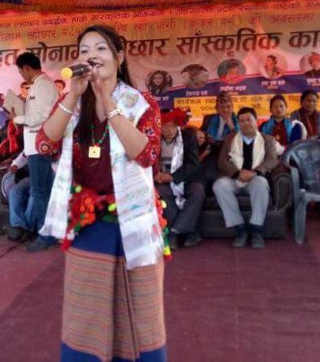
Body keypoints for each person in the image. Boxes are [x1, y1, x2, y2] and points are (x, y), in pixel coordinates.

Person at [38, 24, 166, 361]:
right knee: (87, 317)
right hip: (89, 224)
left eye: (100, 49)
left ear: (119, 57)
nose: (91, 56)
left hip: (135, 221)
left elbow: (146, 155)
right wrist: (73, 95)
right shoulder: (73, 101)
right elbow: (45, 144)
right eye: (84, 51)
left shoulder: (141, 104)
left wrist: (108, 101)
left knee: (139, 316)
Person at [213, 107, 280, 248]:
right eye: (242, 121)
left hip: (255, 177)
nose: (246, 123)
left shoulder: (267, 140)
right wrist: (237, 174)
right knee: (219, 186)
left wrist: (254, 172)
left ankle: (256, 229)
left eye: (249, 120)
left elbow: (272, 160)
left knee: (261, 183)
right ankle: (240, 228)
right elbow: (222, 161)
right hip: (234, 178)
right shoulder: (230, 139)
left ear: (256, 121)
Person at [12, 51, 59, 252]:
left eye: (21, 72)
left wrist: (17, 119)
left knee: (39, 191)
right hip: (35, 146)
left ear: (27, 68)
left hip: (41, 146)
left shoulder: (44, 85)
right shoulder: (38, 85)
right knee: (43, 191)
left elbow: (43, 115)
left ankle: (45, 235)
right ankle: (49, 232)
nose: (22, 76)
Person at [155, 108, 205, 250]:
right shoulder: (153, 139)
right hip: (162, 180)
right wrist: (156, 174)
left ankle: (173, 232)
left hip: (186, 179)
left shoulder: (188, 138)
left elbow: (193, 164)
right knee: (160, 193)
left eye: (172, 126)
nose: (170, 130)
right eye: (165, 127)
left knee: (198, 191)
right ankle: (190, 232)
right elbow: (149, 161)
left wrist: (172, 177)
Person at [200, 92, 239, 187]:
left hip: (229, 154)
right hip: (212, 152)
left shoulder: (238, 120)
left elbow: (240, 140)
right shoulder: (209, 119)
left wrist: (231, 125)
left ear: (233, 107)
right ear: (216, 109)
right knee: (209, 174)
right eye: (222, 107)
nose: (225, 110)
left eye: (228, 107)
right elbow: (202, 135)